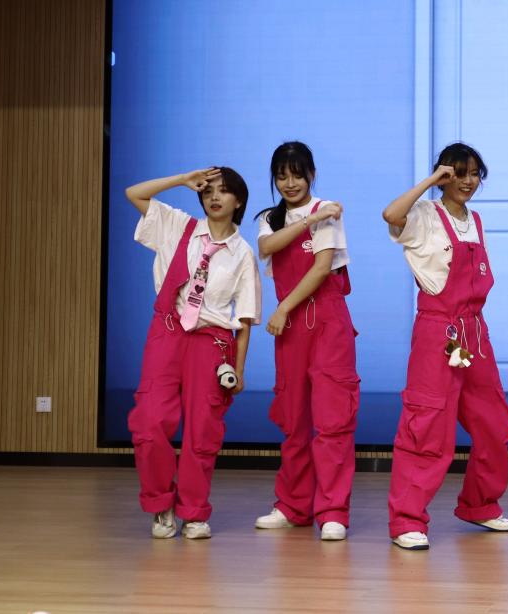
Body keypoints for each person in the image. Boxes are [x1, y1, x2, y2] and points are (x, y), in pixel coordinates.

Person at [382, 143, 508, 550]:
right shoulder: (424, 215)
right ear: (443, 175)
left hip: (473, 335)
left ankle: (480, 504)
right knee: (427, 425)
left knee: (493, 420)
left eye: (474, 173)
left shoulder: (476, 221)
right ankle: (407, 519)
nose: (467, 181)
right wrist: (430, 182)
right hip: (439, 334)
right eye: (458, 172)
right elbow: (390, 215)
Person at [125, 167, 260, 540]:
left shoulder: (242, 254)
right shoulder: (176, 225)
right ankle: (161, 504)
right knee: (149, 423)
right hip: (168, 332)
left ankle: (194, 511)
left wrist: (239, 369)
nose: (214, 197)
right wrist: (182, 180)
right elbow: (135, 193)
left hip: (211, 343)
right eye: (208, 190)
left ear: (238, 201)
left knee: (203, 432)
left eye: (224, 191)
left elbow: (244, 319)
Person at [252, 142, 359, 541]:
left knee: (333, 420)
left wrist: (282, 308)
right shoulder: (271, 219)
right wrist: (308, 221)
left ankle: (332, 511)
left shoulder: (329, 210)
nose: (290, 183)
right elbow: (267, 246)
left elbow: (320, 269)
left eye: (298, 174)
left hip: (327, 322)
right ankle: (293, 505)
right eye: (282, 176)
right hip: (292, 330)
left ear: (311, 174)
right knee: (293, 418)